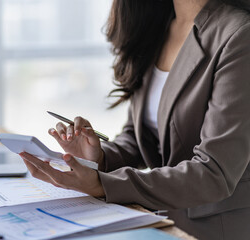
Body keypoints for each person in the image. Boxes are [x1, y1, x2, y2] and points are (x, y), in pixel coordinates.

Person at [19, 0, 250, 239]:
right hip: (156, 221)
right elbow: (142, 137)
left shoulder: (239, 34)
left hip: (213, 229)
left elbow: (214, 173)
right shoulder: (157, 23)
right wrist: (98, 157)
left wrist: (103, 184)